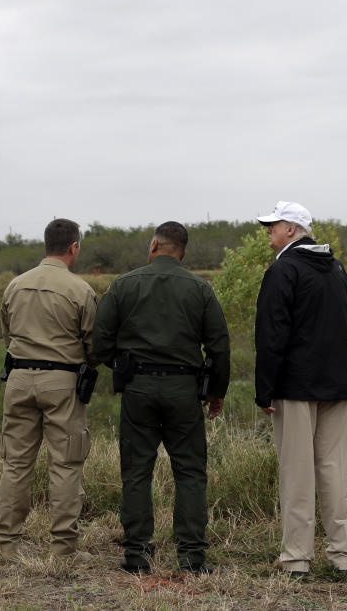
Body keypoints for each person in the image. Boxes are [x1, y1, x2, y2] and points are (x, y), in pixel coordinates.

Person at [91, 221, 231, 575]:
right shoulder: (201, 288)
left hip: (138, 387)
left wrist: (123, 367)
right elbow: (219, 346)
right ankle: (192, 557)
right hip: (184, 390)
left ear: (154, 245)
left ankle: (137, 554)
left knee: (136, 470)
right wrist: (216, 392)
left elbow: (100, 342)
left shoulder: (124, 285)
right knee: (190, 471)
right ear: (183, 252)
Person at [253, 201, 347, 580]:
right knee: (335, 470)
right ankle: (345, 555)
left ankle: (297, 558)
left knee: (297, 472)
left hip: (296, 388)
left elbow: (271, 336)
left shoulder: (283, 270)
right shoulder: (336, 267)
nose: (268, 230)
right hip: (341, 386)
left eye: (274, 225)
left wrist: (264, 390)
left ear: (293, 230)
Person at [0, 218, 98, 560]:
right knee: (65, 463)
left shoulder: (15, 285)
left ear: (46, 244)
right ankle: (63, 548)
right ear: (74, 247)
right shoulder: (80, 290)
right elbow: (93, 346)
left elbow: (7, 337)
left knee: (15, 463)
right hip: (62, 383)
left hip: (18, 379)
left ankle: (5, 544)